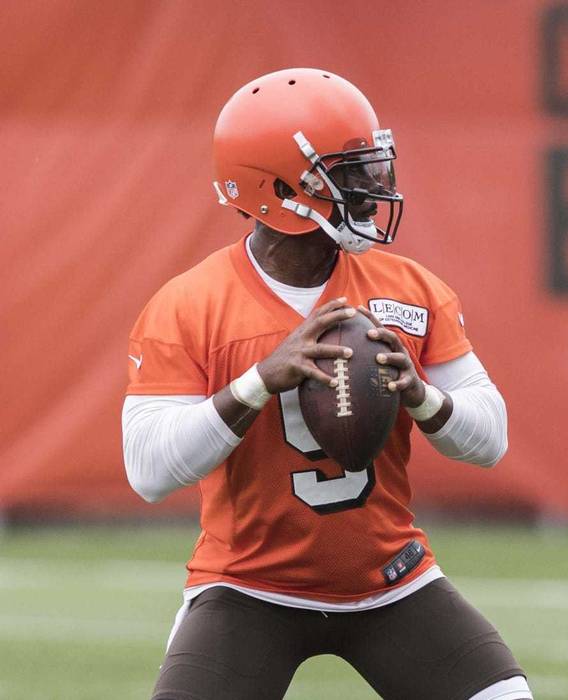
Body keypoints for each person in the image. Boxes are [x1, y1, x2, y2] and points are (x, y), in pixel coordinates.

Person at [121, 68, 531, 700]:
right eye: (348, 173)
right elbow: (148, 472)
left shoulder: (409, 290)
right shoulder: (190, 305)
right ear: (282, 189)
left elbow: (491, 438)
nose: (373, 190)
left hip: (390, 581)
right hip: (247, 588)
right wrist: (259, 382)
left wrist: (422, 397)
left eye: (372, 167)